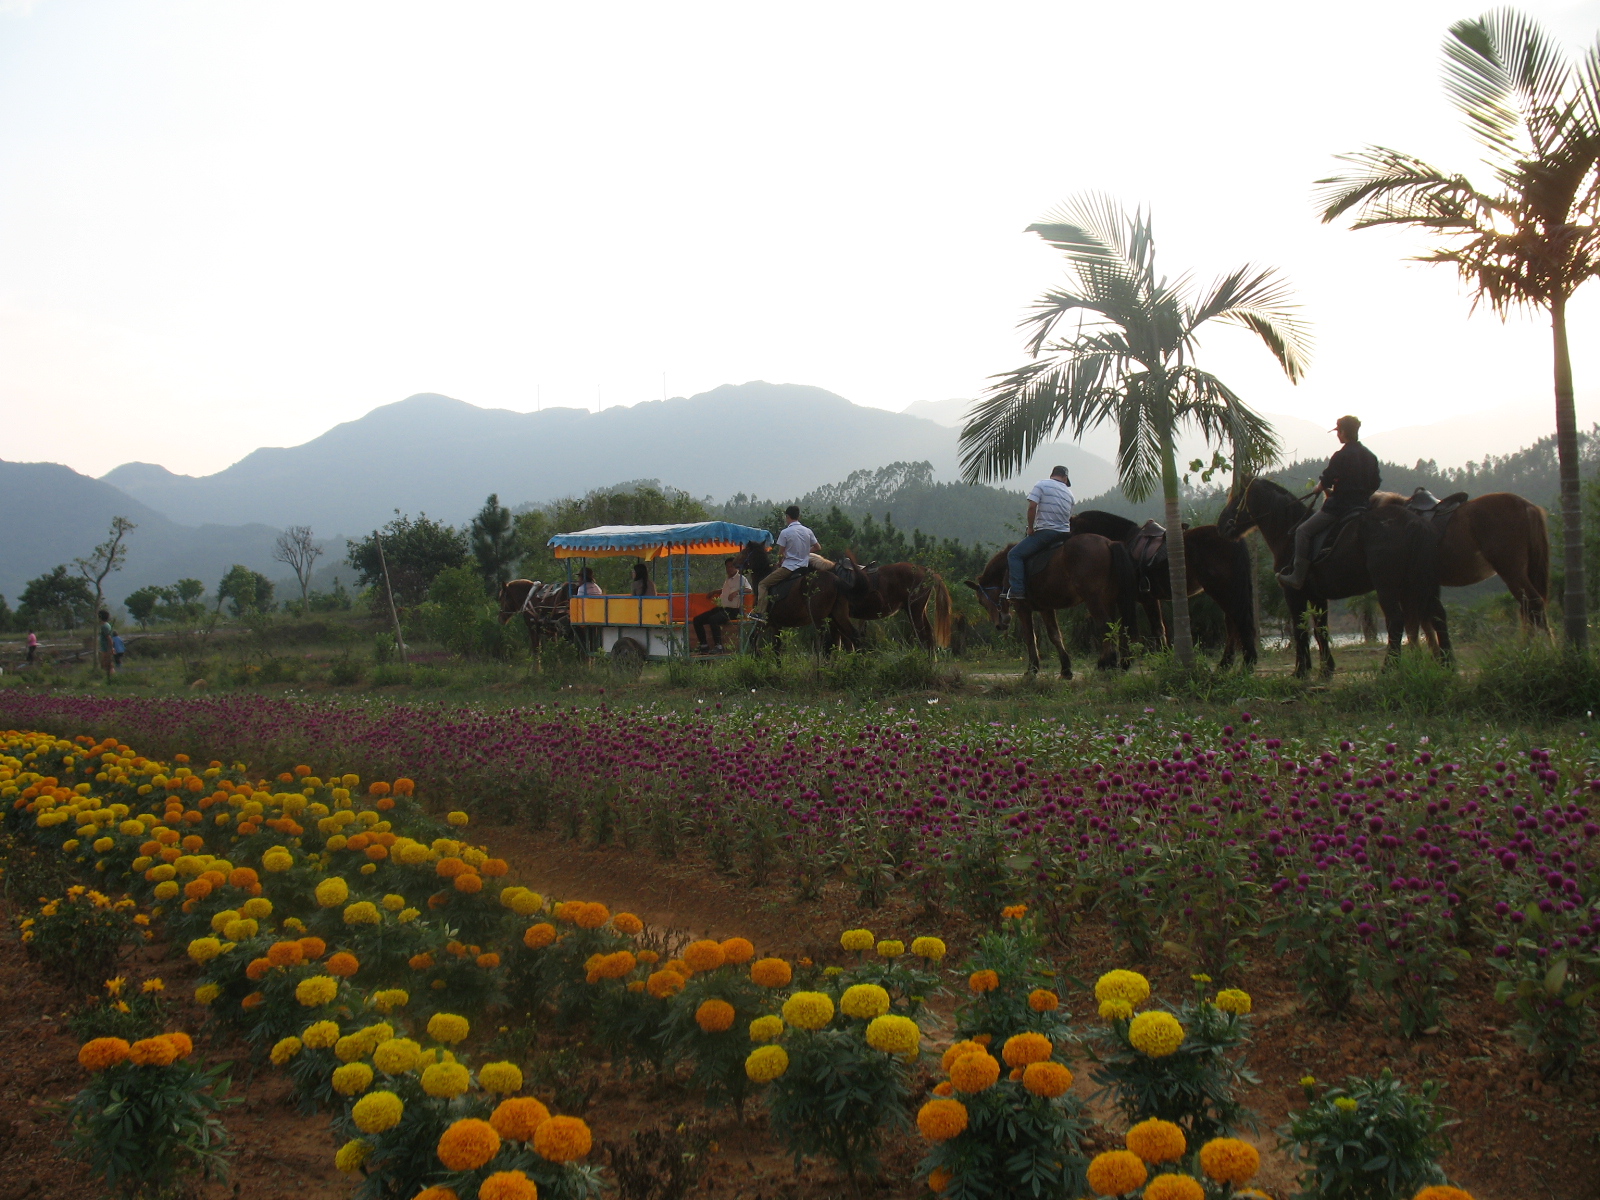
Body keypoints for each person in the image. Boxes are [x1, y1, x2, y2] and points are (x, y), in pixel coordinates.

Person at [1278, 414, 1382, 589]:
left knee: (1303, 531)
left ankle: (1297, 576)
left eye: (1338, 432)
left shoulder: (1341, 456)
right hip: (1363, 507)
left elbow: (1326, 481)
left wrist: (1319, 488)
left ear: (1342, 432)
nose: (1337, 435)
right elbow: (1375, 484)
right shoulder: (1370, 457)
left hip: (1339, 508)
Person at [1006, 466, 1075, 603]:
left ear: (1052, 475)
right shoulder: (1070, 494)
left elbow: (1032, 507)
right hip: (1065, 535)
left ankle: (1018, 590)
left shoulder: (1041, 484)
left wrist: (1030, 528)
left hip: (1046, 533)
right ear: (1065, 478)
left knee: (1014, 555)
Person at [749, 505, 820, 623]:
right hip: (804, 568)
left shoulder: (785, 532)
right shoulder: (808, 531)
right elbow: (818, 547)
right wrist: (804, 553)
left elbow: (781, 554)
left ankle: (760, 613)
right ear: (799, 516)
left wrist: (779, 563)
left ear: (787, 516)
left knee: (762, 584)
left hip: (789, 568)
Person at [693, 559, 751, 652]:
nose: (729, 569)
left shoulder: (741, 578)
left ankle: (719, 646)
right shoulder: (728, 579)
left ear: (736, 567)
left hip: (733, 610)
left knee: (713, 619)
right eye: (727, 567)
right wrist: (715, 591)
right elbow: (725, 590)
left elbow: (749, 590)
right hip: (722, 608)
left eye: (731, 566)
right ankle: (704, 645)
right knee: (697, 620)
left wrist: (736, 592)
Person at [97, 611, 115, 681]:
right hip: (104, 647)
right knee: (105, 663)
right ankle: (108, 677)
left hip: (106, 648)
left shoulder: (105, 626)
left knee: (107, 663)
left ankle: (110, 678)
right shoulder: (104, 626)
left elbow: (109, 638)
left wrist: (111, 648)